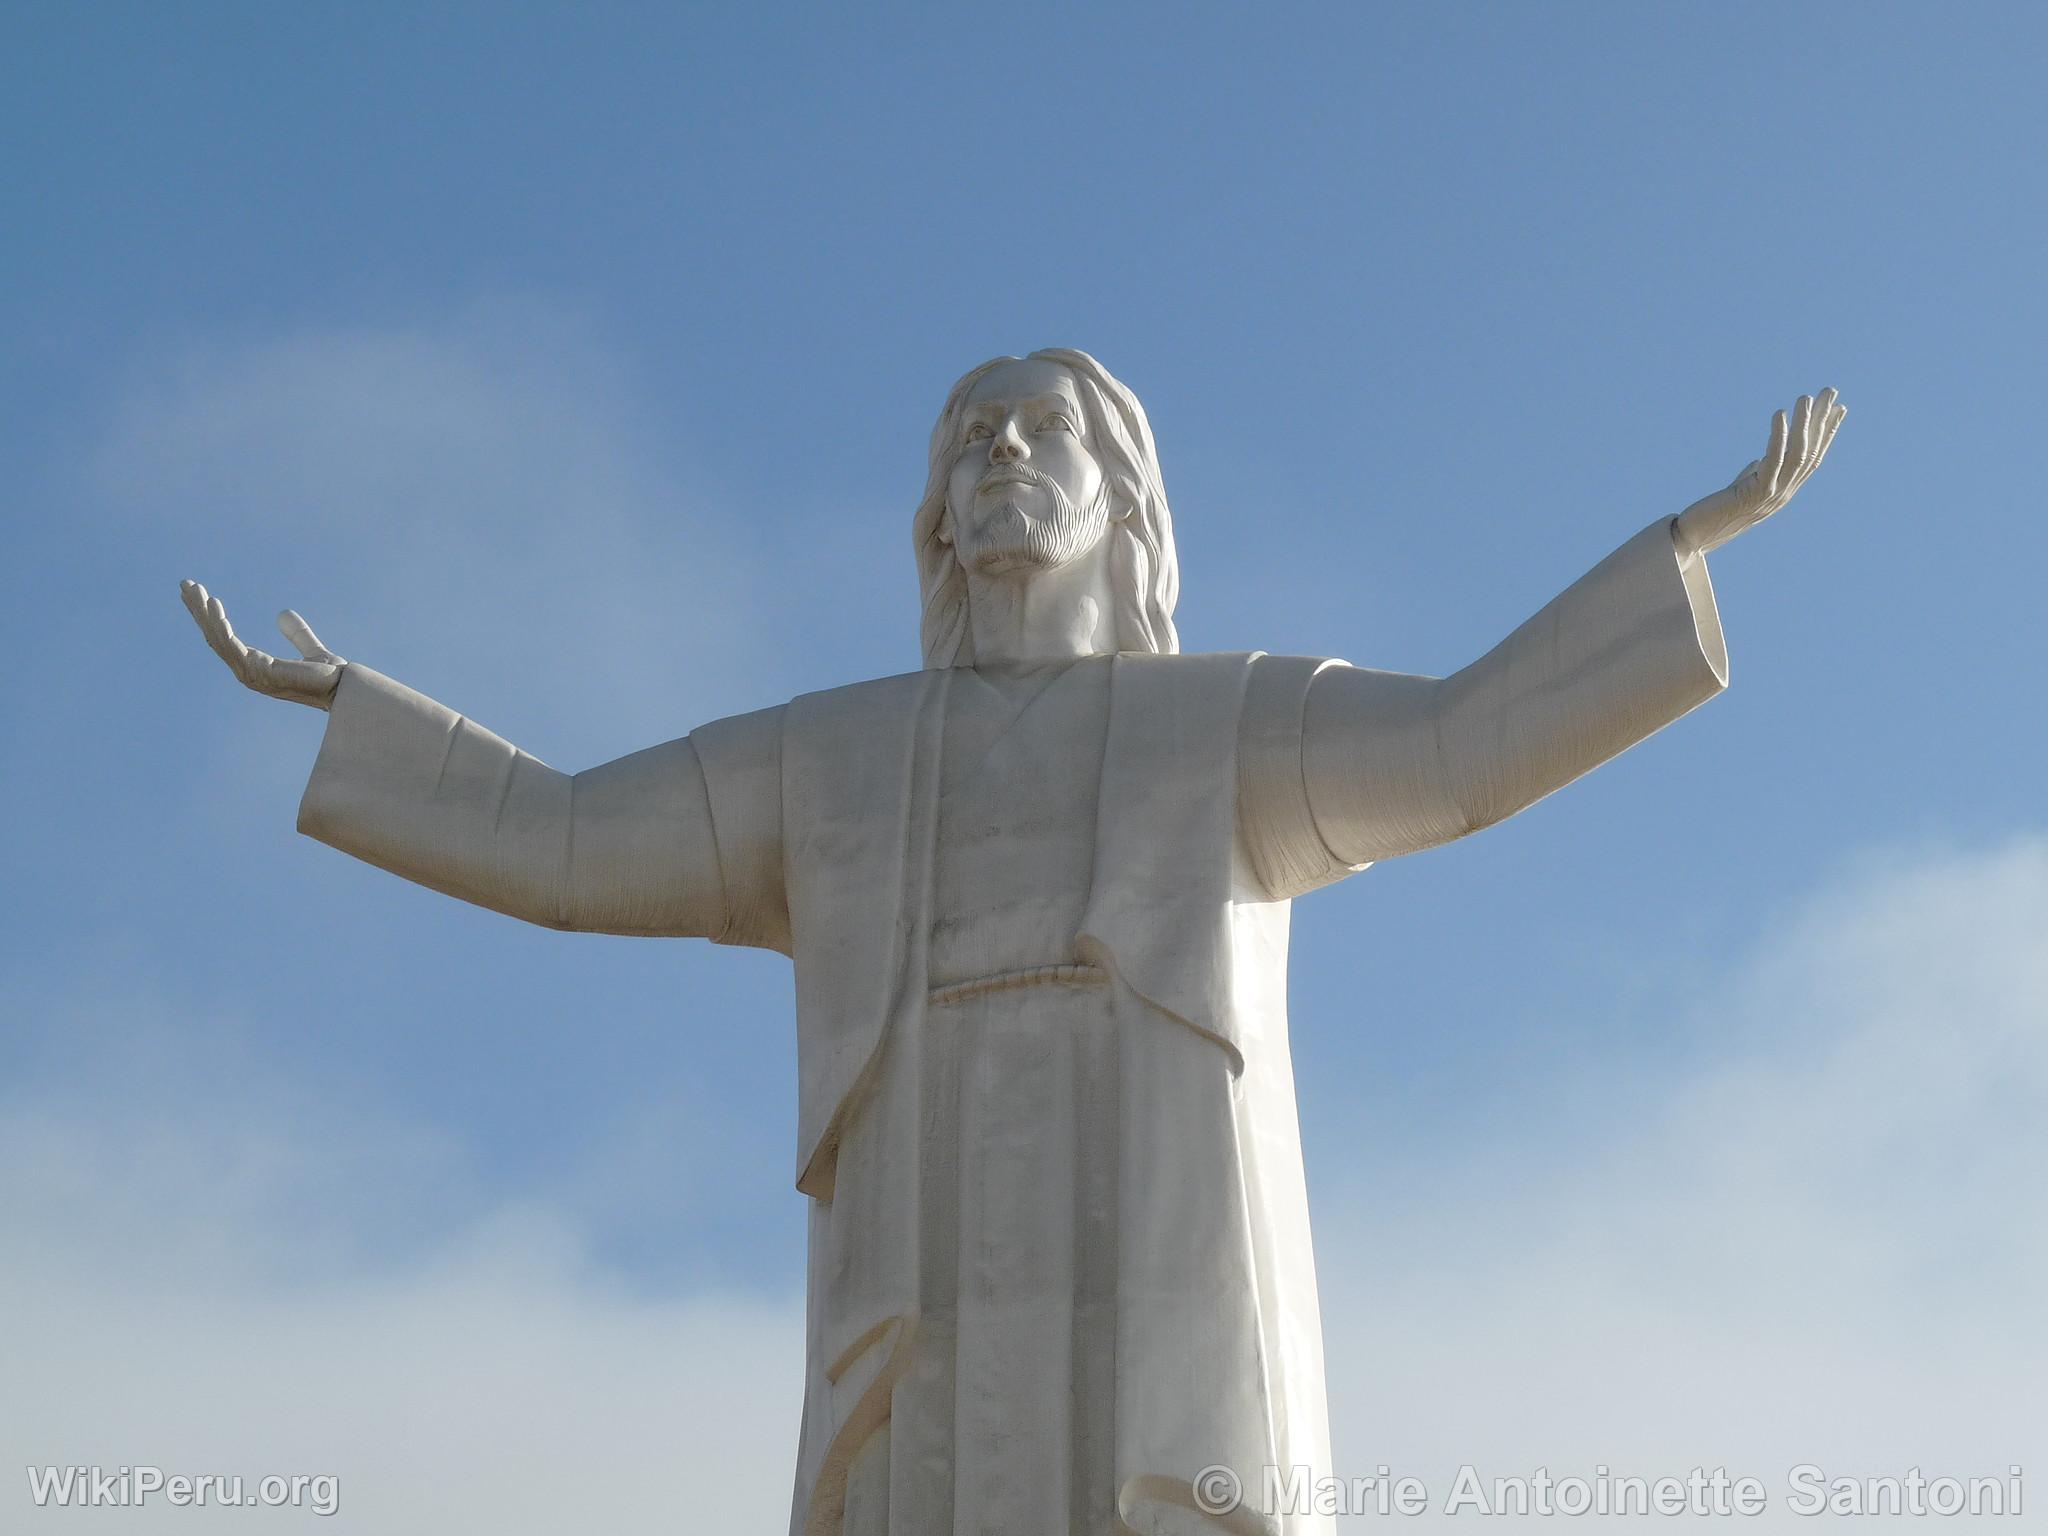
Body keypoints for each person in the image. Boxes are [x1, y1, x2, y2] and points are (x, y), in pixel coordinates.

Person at [183, 351, 1844, 1535]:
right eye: (967, 437)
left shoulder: (1229, 725)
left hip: (1143, 1181)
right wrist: (366, 718)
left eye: (1040, 429)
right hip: (923, 1219)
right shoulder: (825, 758)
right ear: (931, 517)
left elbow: (1463, 745)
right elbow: (560, 841)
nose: (995, 455)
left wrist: (1680, 551)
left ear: (1124, 498)